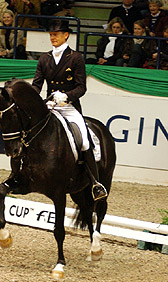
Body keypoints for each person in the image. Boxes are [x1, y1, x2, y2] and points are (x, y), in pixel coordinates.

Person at [31, 19, 107, 201]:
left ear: (66, 35)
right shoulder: (44, 58)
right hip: (50, 106)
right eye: (51, 35)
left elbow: (82, 87)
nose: (52, 38)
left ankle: (96, 183)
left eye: (56, 34)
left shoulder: (75, 58)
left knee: (85, 141)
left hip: (69, 107)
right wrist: (31, 99)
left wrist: (67, 96)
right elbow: (36, 85)